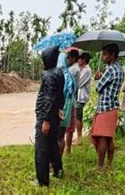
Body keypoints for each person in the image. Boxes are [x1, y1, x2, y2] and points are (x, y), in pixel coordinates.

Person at [35, 46, 65, 187]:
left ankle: (42, 181)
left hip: (45, 116)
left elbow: (49, 98)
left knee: (41, 148)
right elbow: (60, 95)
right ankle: (58, 170)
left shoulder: (48, 76)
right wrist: (60, 108)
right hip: (55, 115)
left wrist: (46, 120)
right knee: (53, 143)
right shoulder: (59, 73)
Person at [91, 44, 125, 170]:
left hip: (105, 107)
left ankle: (100, 166)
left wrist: (97, 79)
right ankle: (109, 165)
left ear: (112, 55)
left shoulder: (110, 70)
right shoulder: (120, 69)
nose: (103, 57)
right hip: (114, 107)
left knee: (102, 138)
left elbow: (98, 88)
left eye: (105, 54)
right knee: (109, 138)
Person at [57, 51, 77, 157]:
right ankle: (59, 161)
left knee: (56, 137)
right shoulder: (70, 76)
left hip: (60, 108)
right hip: (68, 109)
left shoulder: (59, 75)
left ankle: (54, 163)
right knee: (61, 136)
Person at [74, 53, 92, 145]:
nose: (78, 61)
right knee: (77, 116)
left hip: (81, 97)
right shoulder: (82, 69)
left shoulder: (86, 70)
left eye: (79, 59)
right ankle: (78, 136)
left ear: (84, 60)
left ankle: (79, 138)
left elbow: (79, 83)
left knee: (78, 117)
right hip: (79, 96)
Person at [65, 50, 80, 154]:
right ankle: (68, 148)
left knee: (68, 127)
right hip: (72, 100)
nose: (67, 60)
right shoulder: (75, 68)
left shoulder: (72, 69)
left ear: (74, 58)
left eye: (68, 57)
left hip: (68, 101)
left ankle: (67, 148)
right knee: (69, 127)